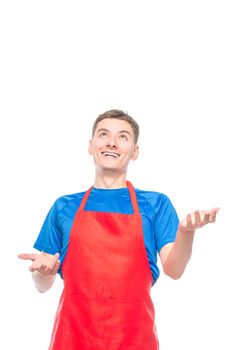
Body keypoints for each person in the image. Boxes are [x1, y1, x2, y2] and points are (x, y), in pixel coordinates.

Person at [18, 109, 219, 350]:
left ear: (134, 152)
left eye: (123, 136)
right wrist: (45, 273)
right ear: (91, 146)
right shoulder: (64, 207)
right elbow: (41, 285)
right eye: (103, 134)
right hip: (72, 339)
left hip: (135, 339)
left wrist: (186, 233)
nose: (111, 142)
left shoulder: (155, 204)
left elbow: (174, 270)